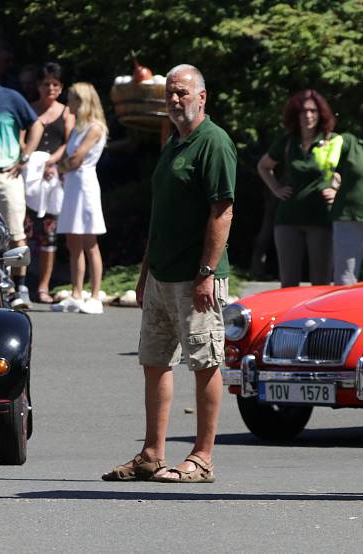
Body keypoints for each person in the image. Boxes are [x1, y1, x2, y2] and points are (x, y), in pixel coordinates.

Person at [102, 65, 235, 483]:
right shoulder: (174, 142)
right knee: (155, 362)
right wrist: (144, 274)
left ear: (202, 97)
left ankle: (202, 457)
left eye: (182, 93)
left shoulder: (212, 142)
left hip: (196, 276)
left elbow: (222, 210)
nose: (175, 100)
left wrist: (206, 273)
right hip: (162, 274)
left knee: (205, 362)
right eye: (170, 95)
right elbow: (160, 215)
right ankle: (151, 454)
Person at [0, 51, 44, 309]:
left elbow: (36, 125)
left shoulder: (10, 98)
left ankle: (21, 287)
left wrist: (24, 157)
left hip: (5, 174)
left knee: (15, 233)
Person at [257, 90, 340, 287]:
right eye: (303, 111)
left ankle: (320, 320)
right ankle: (290, 319)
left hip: (320, 219)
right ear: (296, 115)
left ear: (321, 114)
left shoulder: (332, 141)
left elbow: (350, 170)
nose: (308, 116)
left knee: (320, 284)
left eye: (313, 111)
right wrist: (276, 188)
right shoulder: (287, 141)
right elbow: (263, 166)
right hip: (288, 219)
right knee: (288, 283)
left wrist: (337, 191)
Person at [50, 83, 107, 315]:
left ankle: (95, 295)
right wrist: (59, 166)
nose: (68, 103)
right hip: (73, 185)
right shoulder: (77, 127)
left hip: (84, 185)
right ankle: (76, 293)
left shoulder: (95, 127)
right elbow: (68, 157)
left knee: (89, 241)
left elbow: (76, 158)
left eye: (72, 99)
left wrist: (59, 167)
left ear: (82, 101)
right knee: (73, 241)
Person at [25, 63, 74, 303]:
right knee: (23, 231)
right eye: (46, 84)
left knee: (49, 234)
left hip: (53, 175)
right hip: (29, 176)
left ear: (61, 87)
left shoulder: (66, 112)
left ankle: (43, 287)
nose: (50, 88)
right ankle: (20, 285)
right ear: (39, 86)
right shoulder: (30, 110)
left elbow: (69, 142)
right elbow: (22, 138)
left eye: (55, 84)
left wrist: (52, 162)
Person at [330, 100, 363, 285]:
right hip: (350, 220)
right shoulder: (350, 142)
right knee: (346, 280)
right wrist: (330, 182)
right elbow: (326, 160)